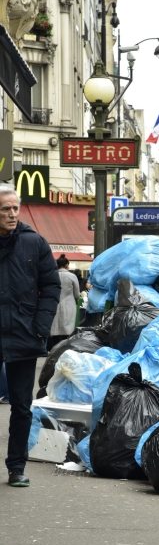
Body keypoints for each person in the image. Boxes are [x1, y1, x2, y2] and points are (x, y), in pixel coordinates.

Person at [0, 186, 61, 487]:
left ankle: (16, 467)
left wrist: (41, 326)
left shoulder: (34, 242)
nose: (12, 214)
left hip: (23, 334)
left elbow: (51, 287)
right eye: (4, 209)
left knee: (22, 406)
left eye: (15, 208)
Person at [48, 254, 80, 350]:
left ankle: (55, 351)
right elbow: (77, 294)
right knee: (68, 331)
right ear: (66, 265)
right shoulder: (72, 276)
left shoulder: (52, 276)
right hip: (69, 306)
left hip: (55, 305)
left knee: (56, 330)